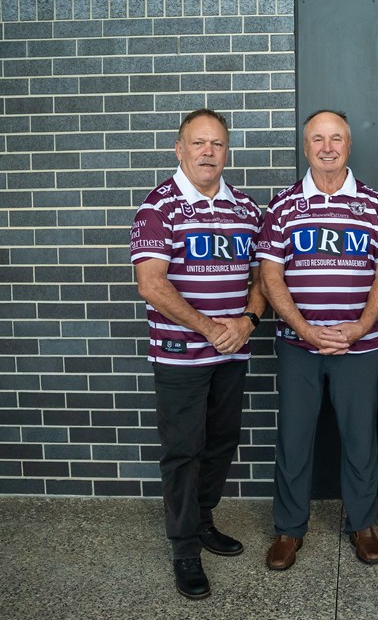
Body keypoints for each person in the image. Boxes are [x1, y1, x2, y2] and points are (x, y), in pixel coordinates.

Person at [130, 108, 266, 600]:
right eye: (199, 143)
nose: (208, 152)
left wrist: (247, 322)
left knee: (221, 442)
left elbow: (261, 279)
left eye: (217, 144)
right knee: (183, 451)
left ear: (227, 151)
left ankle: (204, 520)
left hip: (232, 354)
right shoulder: (158, 207)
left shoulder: (247, 209)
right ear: (179, 148)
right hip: (180, 356)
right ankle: (184, 547)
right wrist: (211, 327)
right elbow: (152, 284)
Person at [257, 110, 378, 570]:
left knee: (360, 440)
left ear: (349, 145)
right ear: (306, 146)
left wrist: (359, 327)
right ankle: (288, 529)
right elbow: (270, 275)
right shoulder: (282, 205)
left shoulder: (374, 205)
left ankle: (362, 523)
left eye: (336, 137)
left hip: (360, 346)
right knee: (293, 439)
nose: (327, 147)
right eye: (318, 138)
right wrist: (303, 327)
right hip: (299, 344)